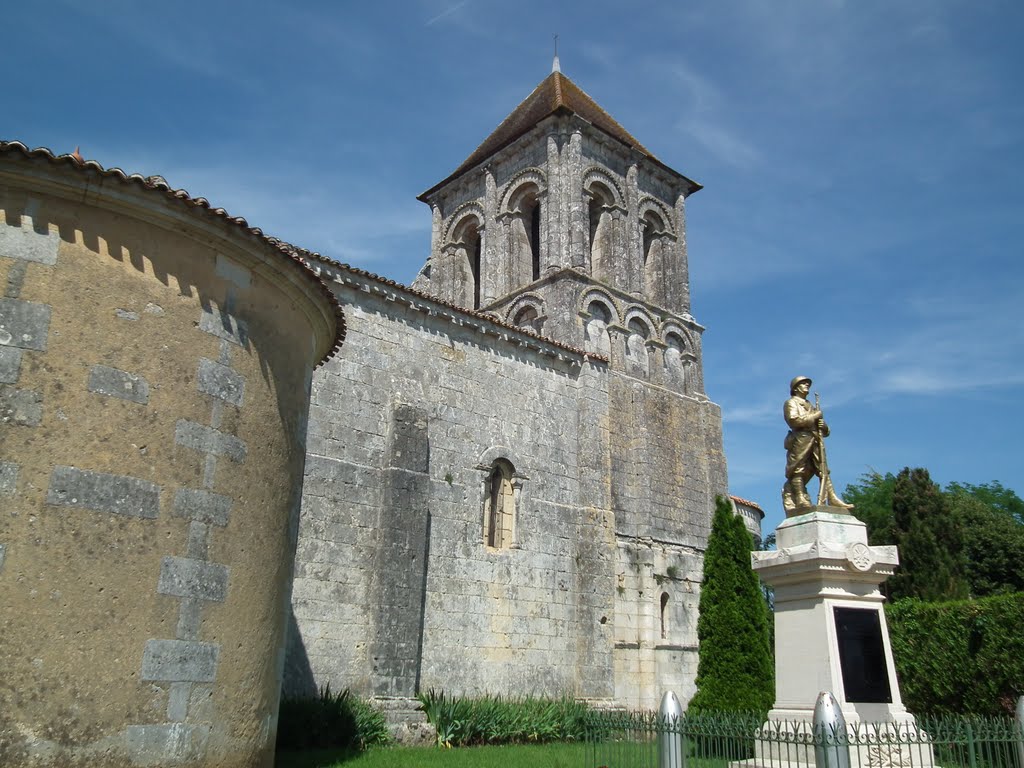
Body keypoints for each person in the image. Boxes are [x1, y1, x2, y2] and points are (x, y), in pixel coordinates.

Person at [782, 376, 852, 514]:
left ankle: (831, 497)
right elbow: (794, 421)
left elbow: (824, 430)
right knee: (798, 468)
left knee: (823, 468)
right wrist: (815, 417)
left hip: (815, 439)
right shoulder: (791, 403)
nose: (807, 385)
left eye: (808, 383)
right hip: (800, 439)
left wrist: (824, 426)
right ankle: (800, 497)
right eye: (803, 383)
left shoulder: (811, 405)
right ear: (795, 388)